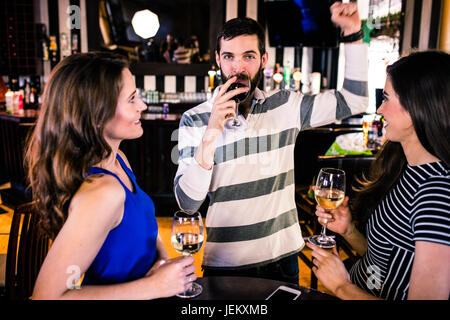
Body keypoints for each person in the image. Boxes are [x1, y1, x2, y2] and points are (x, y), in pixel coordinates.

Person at [174, 2, 368, 284]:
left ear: (263, 60)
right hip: (226, 262)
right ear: (218, 59)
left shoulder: (287, 104)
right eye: (229, 56)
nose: (237, 67)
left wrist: (351, 32)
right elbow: (188, 204)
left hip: (283, 257)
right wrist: (212, 132)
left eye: (248, 57)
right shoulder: (195, 119)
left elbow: (356, 99)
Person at [26, 52, 196, 299]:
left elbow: (139, 220)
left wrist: (161, 257)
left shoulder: (118, 161)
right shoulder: (103, 193)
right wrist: (156, 286)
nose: (143, 105)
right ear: (97, 115)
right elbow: (46, 297)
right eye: (131, 99)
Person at [308, 50, 450, 300]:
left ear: (418, 105)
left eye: (386, 98)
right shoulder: (408, 168)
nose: (381, 109)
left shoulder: (437, 195)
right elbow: (385, 260)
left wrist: (342, 287)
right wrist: (349, 230)